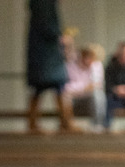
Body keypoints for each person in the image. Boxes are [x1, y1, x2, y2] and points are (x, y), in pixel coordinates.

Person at [26, 0, 74, 133]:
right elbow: (47, 26)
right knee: (57, 87)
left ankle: (62, 122)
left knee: (43, 89)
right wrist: (60, 36)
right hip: (46, 57)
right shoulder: (44, 4)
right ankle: (64, 122)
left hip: (45, 56)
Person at [64, 43, 106, 128]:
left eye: (91, 58)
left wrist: (80, 88)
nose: (88, 61)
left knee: (98, 95)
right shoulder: (70, 66)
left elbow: (97, 85)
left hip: (88, 100)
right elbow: (66, 88)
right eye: (86, 57)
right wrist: (84, 87)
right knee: (64, 97)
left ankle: (98, 125)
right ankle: (67, 125)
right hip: (73, 99)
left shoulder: (96, 65)